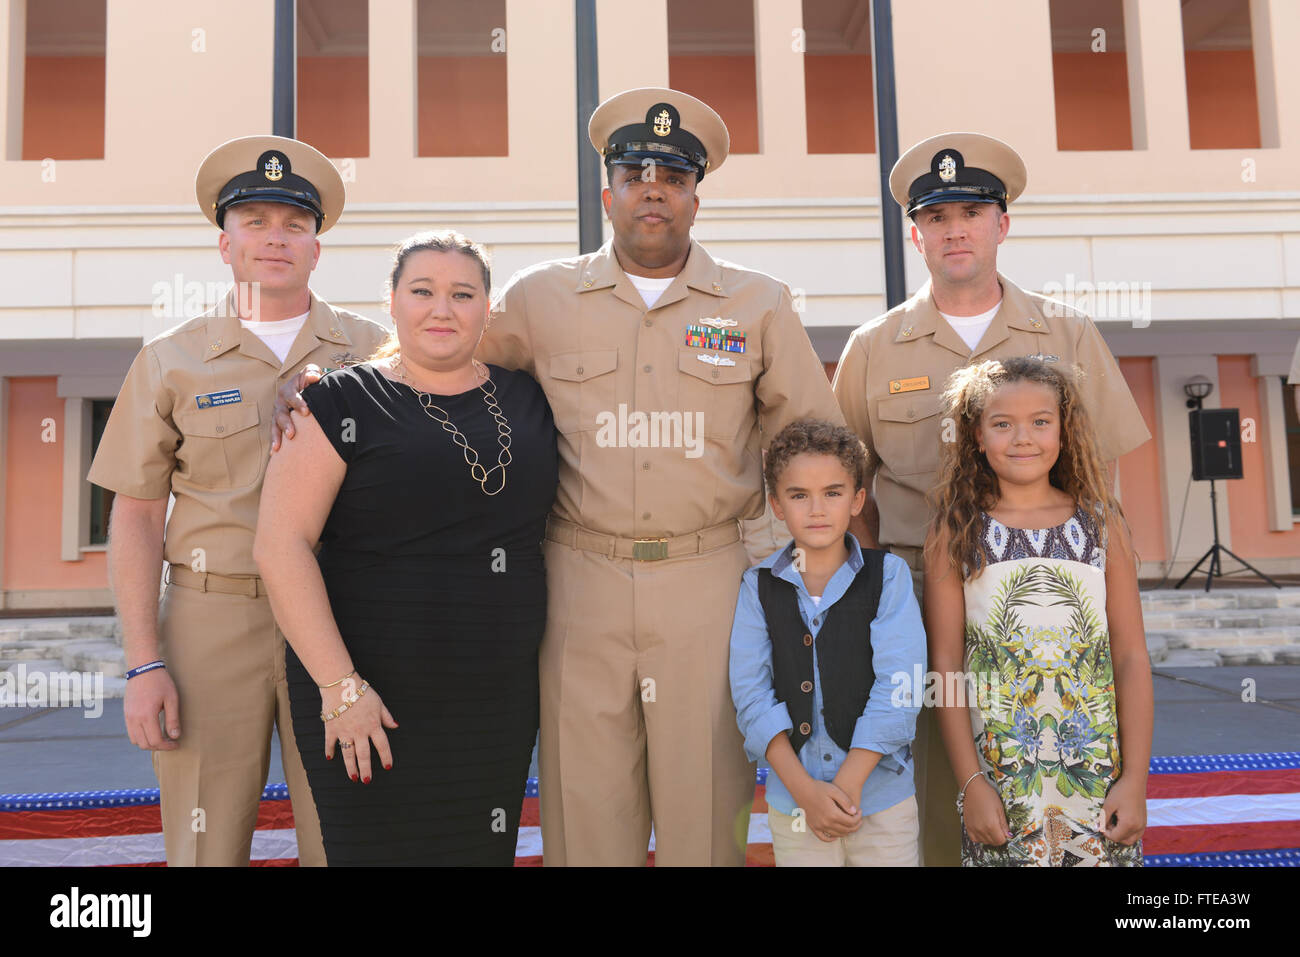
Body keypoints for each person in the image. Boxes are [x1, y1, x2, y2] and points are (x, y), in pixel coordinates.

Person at [273, 87, 845, 866]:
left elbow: (813, 446)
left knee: (704, 812)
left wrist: (796, 582)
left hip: (709, 580)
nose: (653, 188)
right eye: (634, 172)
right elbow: (442, 344)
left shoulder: (758, 303)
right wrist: (327, 378)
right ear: (607, 190)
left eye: (672, 177)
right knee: (586, 814)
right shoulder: (543, 298)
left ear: (695, 197)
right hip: (581, 580)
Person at [831, 132, 1151, 865]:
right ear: (916, 233)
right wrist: (874, 590)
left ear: (1002, 224)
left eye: (972, 211)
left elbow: (1102, 482)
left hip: (1050, 613)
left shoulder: (1068, 335)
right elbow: (847, 487)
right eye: (937, 217)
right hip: (915, 601)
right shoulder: (873, 348)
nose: (956, 230)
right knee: (938, 794)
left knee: (1065, 795)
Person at [86, 135, 389, 865]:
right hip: (209, 621)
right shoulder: (170, 359)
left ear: (318, 247)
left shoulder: (377, 353)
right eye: (254, 221)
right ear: (225, 245)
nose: (274, 238)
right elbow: (134, 514)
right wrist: (142, 663)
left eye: (294, 224)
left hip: (343, 617)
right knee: (203, 842)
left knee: (352, 835)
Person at [254, 231, 558, 865]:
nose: (441, 309)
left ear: (487, 308)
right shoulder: (336, 400)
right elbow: (281, 548)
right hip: (368, 700)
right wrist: (342, 690)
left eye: (462, 294)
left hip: (493, 702)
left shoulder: (527, 396)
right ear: (391, 302)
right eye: (422, 291)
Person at [923, 357, 1152, 866]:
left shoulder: (1101, 524)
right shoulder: (956, 533)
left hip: (1097, 775)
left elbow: (1132, 656)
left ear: (1063, 432)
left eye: (1040, 422)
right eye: (1002, 424)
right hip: (1002, 778)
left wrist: (1135, 777)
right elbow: (945, 668)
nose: (1022, 437)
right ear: (977, 437)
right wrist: (971, 784)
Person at [729, 420, 925, 866]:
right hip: (796, 802)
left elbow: (901, 686)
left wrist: (847, 786)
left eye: (833, 492)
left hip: (881, 800)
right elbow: (751, 695)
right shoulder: (756, 587)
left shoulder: (887, 577)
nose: (817, 508)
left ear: (858, 500)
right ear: (777, 505)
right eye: (799, 495)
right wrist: (807, 793)